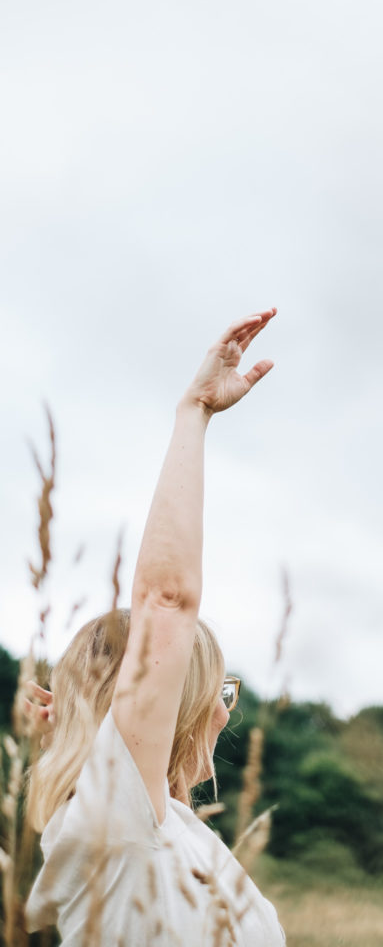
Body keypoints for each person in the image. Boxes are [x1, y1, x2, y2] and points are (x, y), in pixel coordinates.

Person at [24, 309, 285, 946]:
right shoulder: (115, 822)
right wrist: (194, 412)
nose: (227, 716)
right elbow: (166, 601)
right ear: (172, 703)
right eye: (223, 694)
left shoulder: (160, 828)